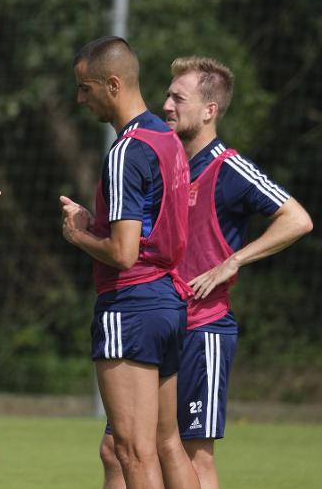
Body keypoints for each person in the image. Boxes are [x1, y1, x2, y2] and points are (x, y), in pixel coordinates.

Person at [99, 56, 313, 489]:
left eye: (179, 97)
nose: (167, 105)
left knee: (191, 454)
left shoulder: (229, 167)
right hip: (160, 320)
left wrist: (231, 262)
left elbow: (297, 219)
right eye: (167, 95)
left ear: (210, 110)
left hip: (204, 328)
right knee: (118, 450)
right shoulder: (166, 161)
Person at [60, 36, 199, 489]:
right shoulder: (167, 137)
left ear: (113, 84)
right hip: (168, 304)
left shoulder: (125, 152)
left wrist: (79, 234)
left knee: (132, 452)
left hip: (131, 305)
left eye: (86, 87)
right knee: (168, 445)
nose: (81, 98)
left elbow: (122, 252)